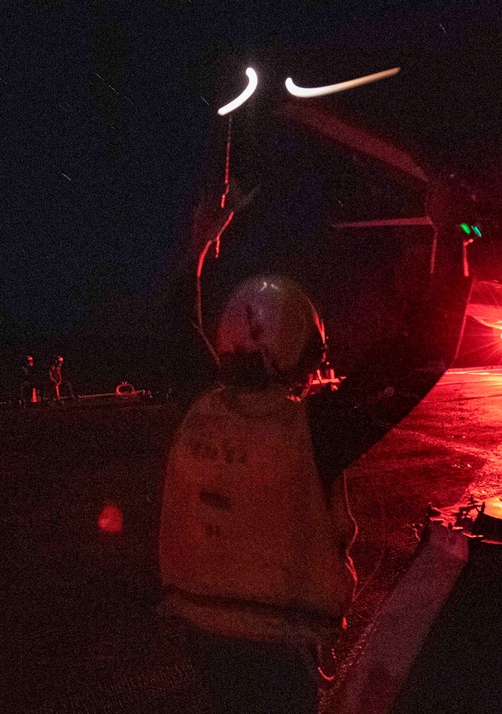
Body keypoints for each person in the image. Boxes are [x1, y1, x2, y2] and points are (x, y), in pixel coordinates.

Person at [158, 268, 469, 713]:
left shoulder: (197, 408)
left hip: (200, 633)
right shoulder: (313, 429)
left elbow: (176, 323)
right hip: (277, 646)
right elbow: (423, 357)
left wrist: (196, 251)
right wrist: (456, 237)